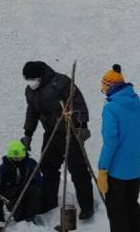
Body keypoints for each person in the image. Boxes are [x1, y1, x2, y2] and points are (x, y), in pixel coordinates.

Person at [21, 61, 93, 217]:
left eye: (32, 79)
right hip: (50, 132)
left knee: (77, 169)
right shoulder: (30, 91)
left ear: (40, 76)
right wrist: (28, 134)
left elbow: (78, 103)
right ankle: (49, 201)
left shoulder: (60, 82)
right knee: (48, 166)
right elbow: (32, 112)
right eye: (27, 79)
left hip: (70, 131)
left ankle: (87, 206)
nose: (30, 82)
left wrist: (83, 127)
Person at [95, 65, 140, 232]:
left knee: (117, 213)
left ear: (109, 86)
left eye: (104, 86)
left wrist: (103, 169)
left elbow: (111, 141)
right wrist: (135, 159)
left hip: (116, 171)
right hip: (134, 171)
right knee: (132, 208)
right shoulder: (139, 106)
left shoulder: (111, 108)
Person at [0, 140, 44, 225]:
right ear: (10, 156)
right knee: (19, 215)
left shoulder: (30, 164)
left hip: (27, 190)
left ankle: (30, 218)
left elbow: (38, 180)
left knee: (35, 190)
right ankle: (21, 221)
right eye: (15, 158)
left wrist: (28, 187)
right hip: (12, 195)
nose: (19, 160)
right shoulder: (2, 170)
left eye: (21, 157)